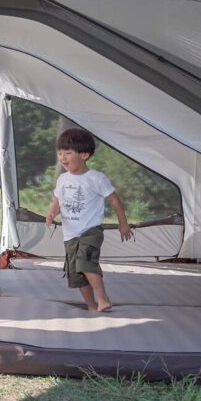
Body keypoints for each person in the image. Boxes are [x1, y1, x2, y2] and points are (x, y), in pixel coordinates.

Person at [45, 129, 132, 312]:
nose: (62, 158)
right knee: (76, 274)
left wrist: (123, 223)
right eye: (60, 153)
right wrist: (52, 214)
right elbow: (57, 201)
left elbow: (114, 200)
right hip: (70, 235)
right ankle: (91, 306)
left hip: (90, 231)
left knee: (85, 261)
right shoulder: (62, 179)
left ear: (84, 155)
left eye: (68, 153)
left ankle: (102, 297)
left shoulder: (95, 178)